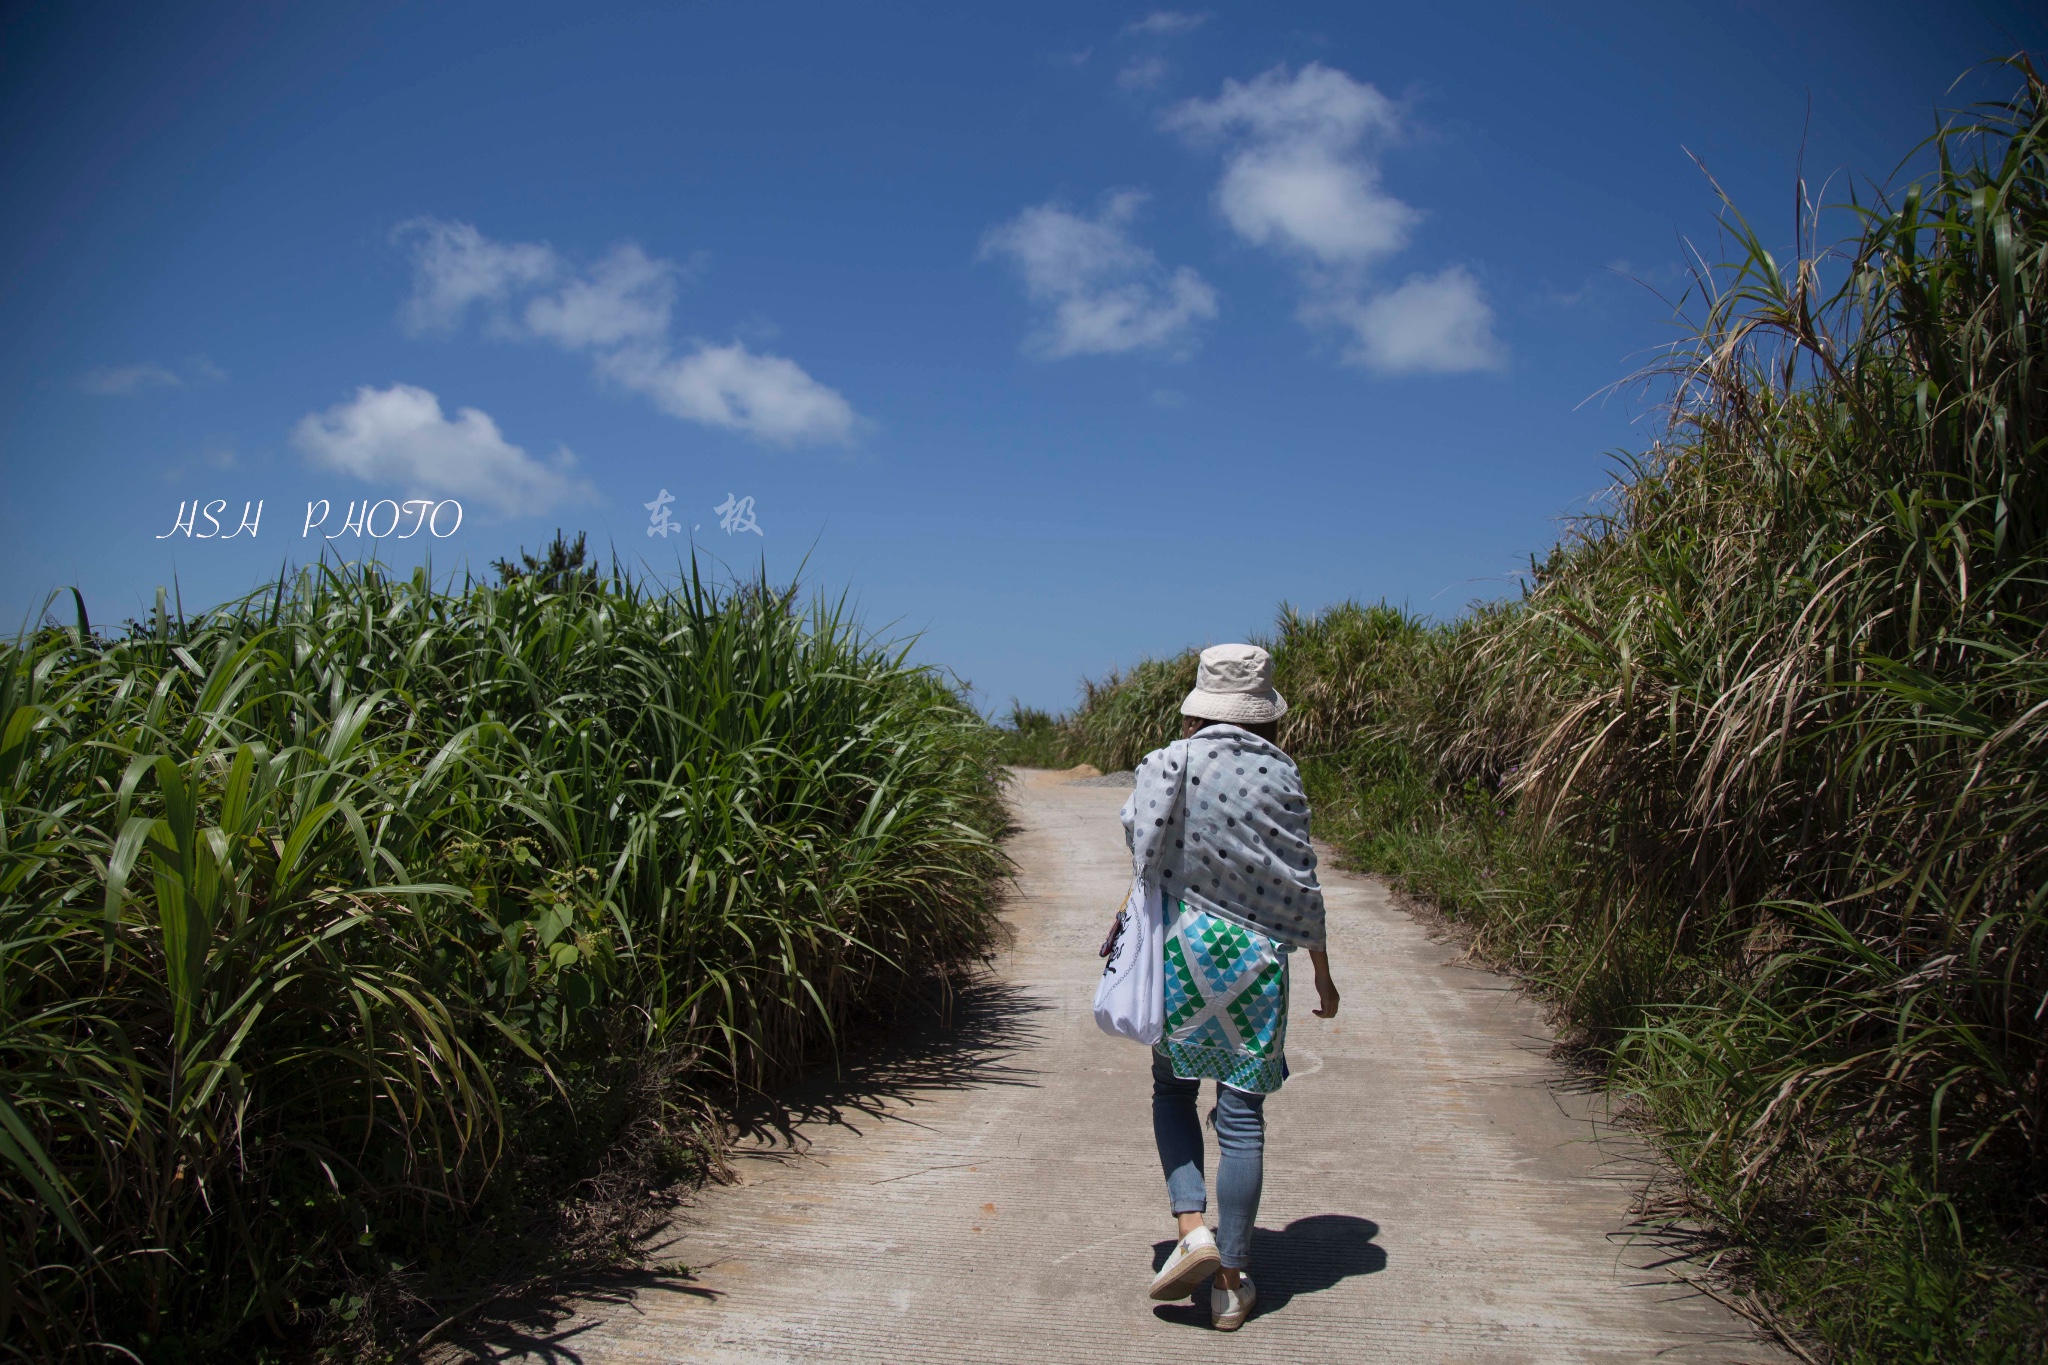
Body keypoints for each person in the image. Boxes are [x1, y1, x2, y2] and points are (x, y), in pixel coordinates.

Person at [1110, 642, 1340, 1331]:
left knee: (1171, 1089)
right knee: (1242, 1118)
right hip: (1257, 962)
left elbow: (1139, 843)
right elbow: (1302, 882)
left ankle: (1191, 1227)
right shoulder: (1284, 776)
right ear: (1265, 714)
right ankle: (1231, 1282)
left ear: (1200, 704)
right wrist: (1324, 973)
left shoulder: (1169, 762)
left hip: (1183, 951)